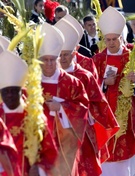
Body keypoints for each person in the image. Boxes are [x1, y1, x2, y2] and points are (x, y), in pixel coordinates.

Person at [92, 6, 135, 176]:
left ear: (121, 37)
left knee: (125, 152)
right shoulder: (98, 59)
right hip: (105, 115)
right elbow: (89, 87)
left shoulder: (132, 57)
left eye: (114, 39)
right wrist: (105, 83)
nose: (111, 43)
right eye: (108, 39)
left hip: (128, 114)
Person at [55, 18, 119, 175]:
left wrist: (76, 111)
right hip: (56, 131)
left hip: (81, 130)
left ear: (74, 52)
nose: (62, 59)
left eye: (66, 54)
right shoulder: (51, 77)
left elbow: (98, 102)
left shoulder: (84, 76)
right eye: (60, 55)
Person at [39, 22, 89, 175]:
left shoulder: (71, 82)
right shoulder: (32, 82)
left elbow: (83, 108)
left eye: (52, 59)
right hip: (39, 142)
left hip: (65, 142)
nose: (49, 64)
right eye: (45, 59)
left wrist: (61, 107)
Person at [0, 50, 58, 175]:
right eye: (5, 92)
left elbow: (50, 151)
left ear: (22, 91)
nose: (9, 95)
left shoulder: (34, 116)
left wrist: (40, 169)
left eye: (13, 91)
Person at [62, 14, 99, 81]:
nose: (92, 27)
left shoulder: (87, 62)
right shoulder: (52, 64)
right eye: (89, 25)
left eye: (94, 24)